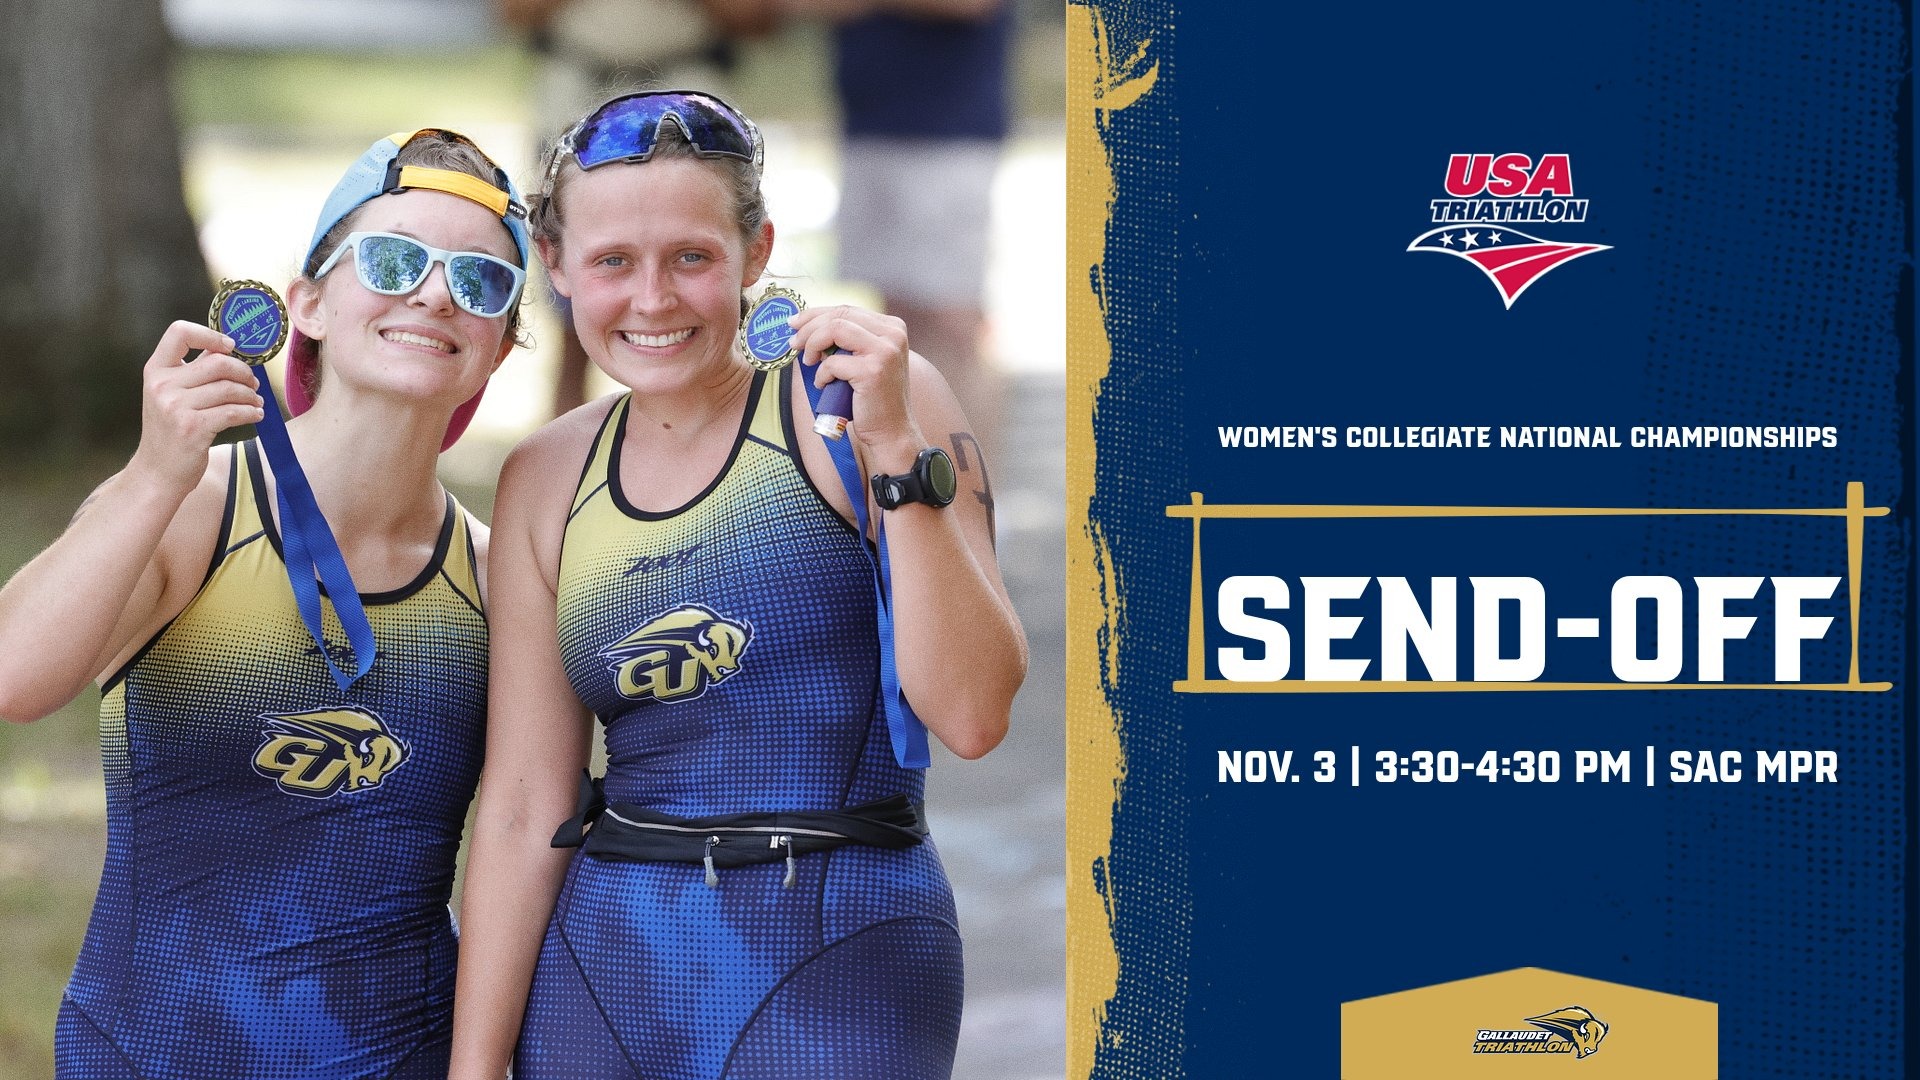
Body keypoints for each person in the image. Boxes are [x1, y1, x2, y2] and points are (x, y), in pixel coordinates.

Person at [449, 90, 1027, 1079]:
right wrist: (473, 1067)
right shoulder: (545, 477)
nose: (652, 300)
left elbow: (972, 715)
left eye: (691, 257)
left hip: (841, 952)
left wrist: (896, 448)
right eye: (612, 262)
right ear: (555, 265)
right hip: (604, 975)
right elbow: (523, 802)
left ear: (756, 252)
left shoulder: (856, 408)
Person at [0, 128, 531, 1079]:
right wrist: (152, 474)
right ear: (308, 303)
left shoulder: (496, 580)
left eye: (481, 282)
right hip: (150, 1053)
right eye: (394, 259)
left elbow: (522, 834)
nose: (435, 294)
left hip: (397, 1059)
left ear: (499, 346)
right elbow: (13, 680)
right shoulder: (193, 508)